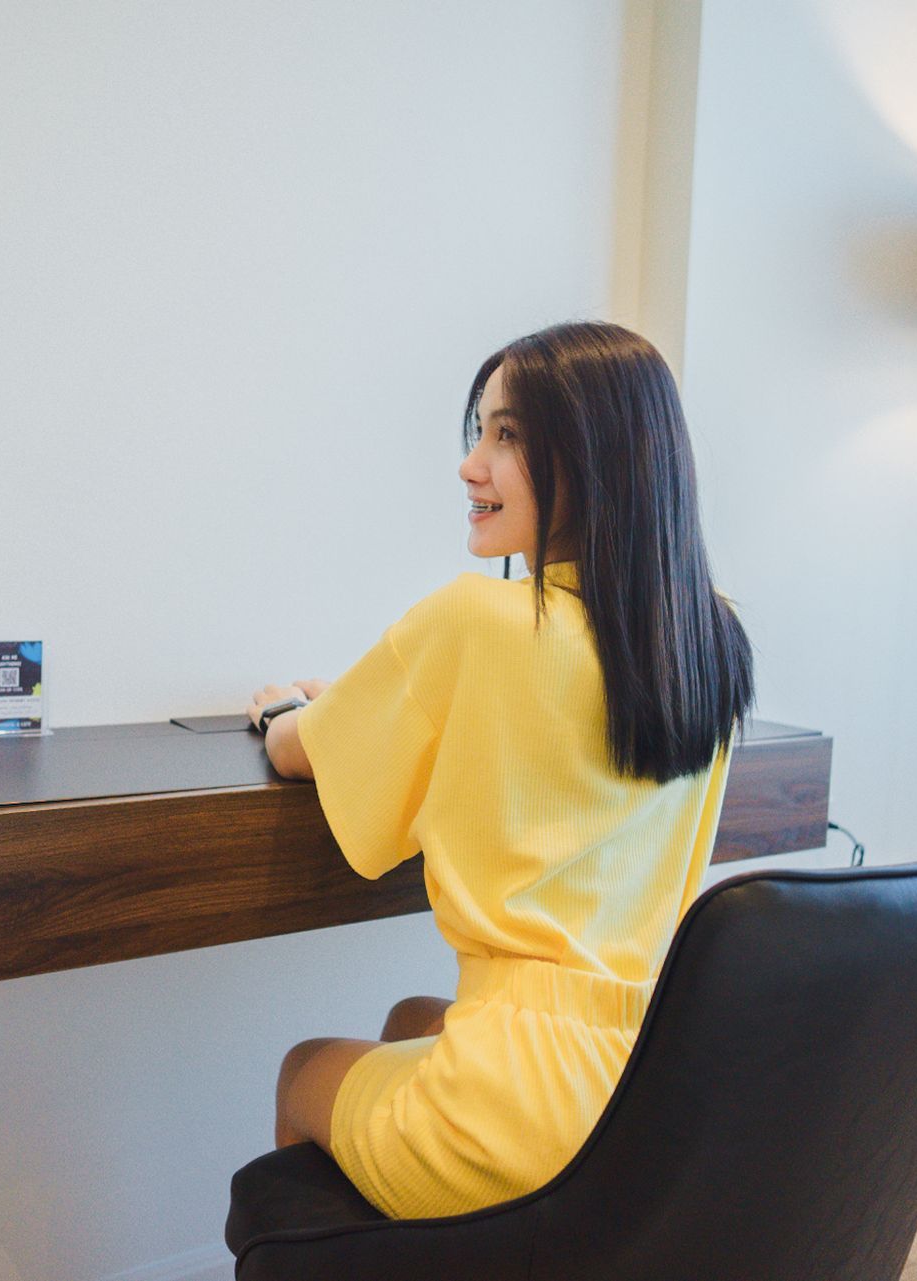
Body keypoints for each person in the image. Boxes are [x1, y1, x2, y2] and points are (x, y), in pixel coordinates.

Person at [245, 320, 754, 1220]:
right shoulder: (705, 639)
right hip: (645, 1081)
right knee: (411, 1016)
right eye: (480, 432)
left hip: (515, 1115)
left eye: (508, 435)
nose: (471, 464)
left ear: (597, 456)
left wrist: (293, 708)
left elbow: (298, 753)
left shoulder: (477, 623)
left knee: (301, 1069)